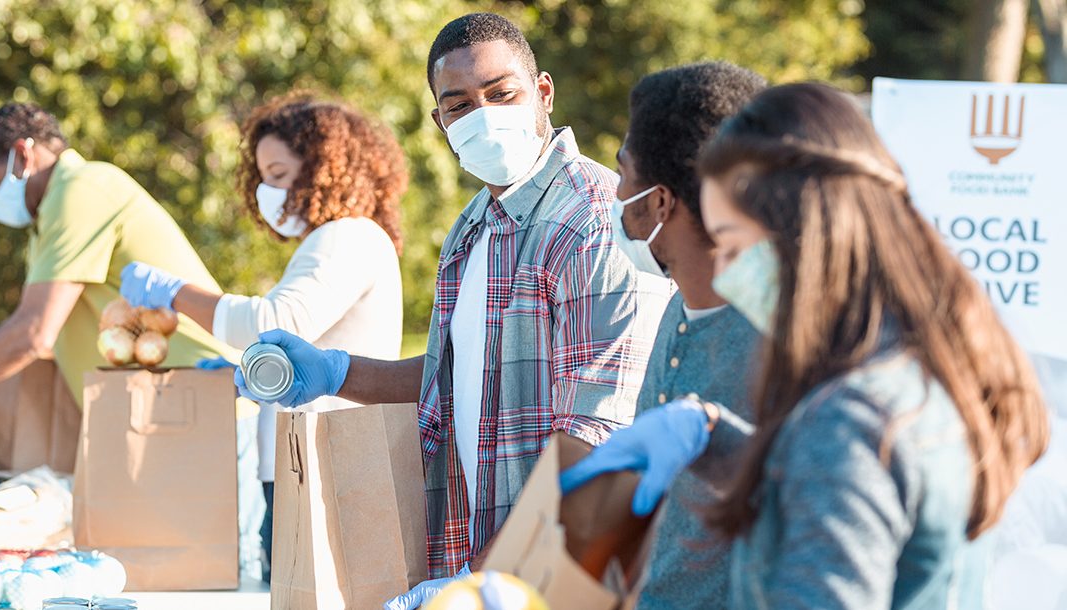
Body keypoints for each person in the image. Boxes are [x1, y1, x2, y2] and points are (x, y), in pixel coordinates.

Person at [563, 83, 1049, 608]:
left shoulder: (852, 417)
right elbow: (838, 489)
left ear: (803, 233)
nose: (723, 273)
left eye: (733, 245)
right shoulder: (916, 366)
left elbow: (840, 465)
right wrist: (713, 437)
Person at [236, 13, 662, 606]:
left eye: (501, 94)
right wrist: (336, 372)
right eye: (460, 105)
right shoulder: (473, 228)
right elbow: (453, 378)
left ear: (542, 92)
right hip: (482, 558)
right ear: (440, 121)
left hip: (565, 571)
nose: (483, 115)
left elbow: (601, 434)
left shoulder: (594, 223)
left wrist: (490, 575)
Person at [119, 93, 407, 583]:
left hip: (329, 467)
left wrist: (174, 293)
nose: (267, 192)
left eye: (277, 174)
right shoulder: (334, 240)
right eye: (263, 178)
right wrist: (247, 375)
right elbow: (302, 345)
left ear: (322, 166)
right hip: (306, 464)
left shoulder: (348, 236)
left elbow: (278, 320)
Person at [0, 102, 232, 454]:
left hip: (199, 403)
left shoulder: (80, 189)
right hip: (161, 412)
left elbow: (33, 333)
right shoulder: (47, 217)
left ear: (22, 154)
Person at [606, 62, 766, 608]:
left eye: (623, 172)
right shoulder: (678, 308)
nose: (614, 191)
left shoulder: (779, 346)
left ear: (659, 201)